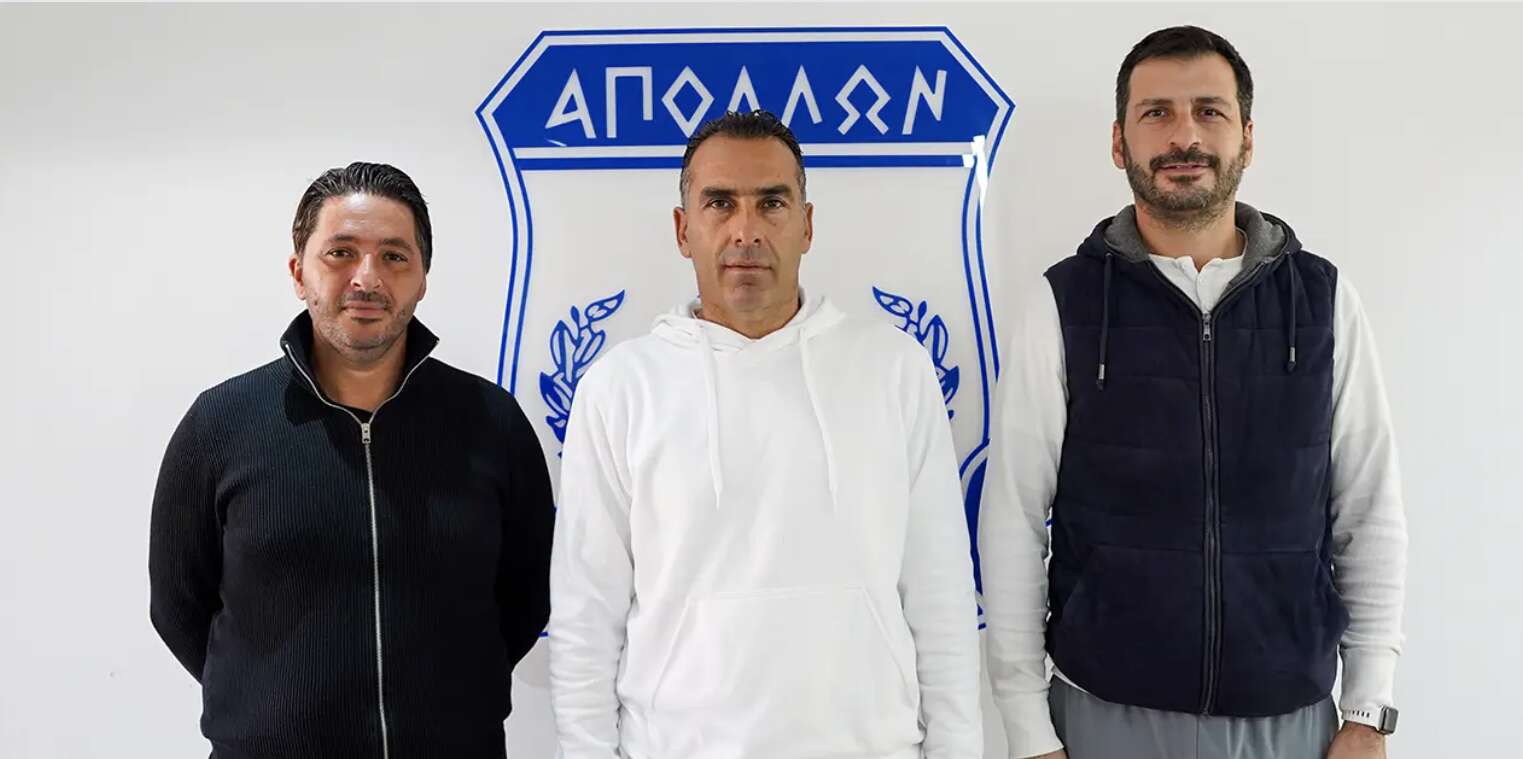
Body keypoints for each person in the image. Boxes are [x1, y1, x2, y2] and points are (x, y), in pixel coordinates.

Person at [980, 26, 1408, 759]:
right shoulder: (1063, 302)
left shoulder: (1323, 301)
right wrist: (1026, 728)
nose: (1185, 136)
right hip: (1103, 714)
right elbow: (1014, 517)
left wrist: (1367, 709)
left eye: (1209, 111)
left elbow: (1368, 511)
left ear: (1247, 137)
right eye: (1157, 113)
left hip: (1289, 721)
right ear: (1119, 142)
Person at [547, 111, 983, 759]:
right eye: (720, 203)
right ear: (683, 229)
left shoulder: (894, 369)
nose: (746, 230)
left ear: (806, 225)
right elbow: (586, 616)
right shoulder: (619, 388)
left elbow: (940, 592)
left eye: (771, 204)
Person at [149, 161, 555, 758]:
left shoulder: (492, 425)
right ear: (299, 272)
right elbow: (178, 605)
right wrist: (267, 713)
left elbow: (525, 598)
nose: (367, 278)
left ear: (422, 279)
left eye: (394, 257)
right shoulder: (221, 424)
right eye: (341, 253)